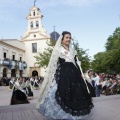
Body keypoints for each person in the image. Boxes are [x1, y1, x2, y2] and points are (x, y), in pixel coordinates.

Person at [37, 31, 94, 119]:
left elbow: (76, 63)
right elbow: (54, 63)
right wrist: (53, 76)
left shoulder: (72, 50)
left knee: (78, 92)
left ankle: (75, 116)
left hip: (74, 73)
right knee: (63, 92)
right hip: (64, 74)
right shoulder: (58, 49)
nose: (68, 39)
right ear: (62, 39)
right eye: (66, 37)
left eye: (70, 38)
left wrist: (81, 74)